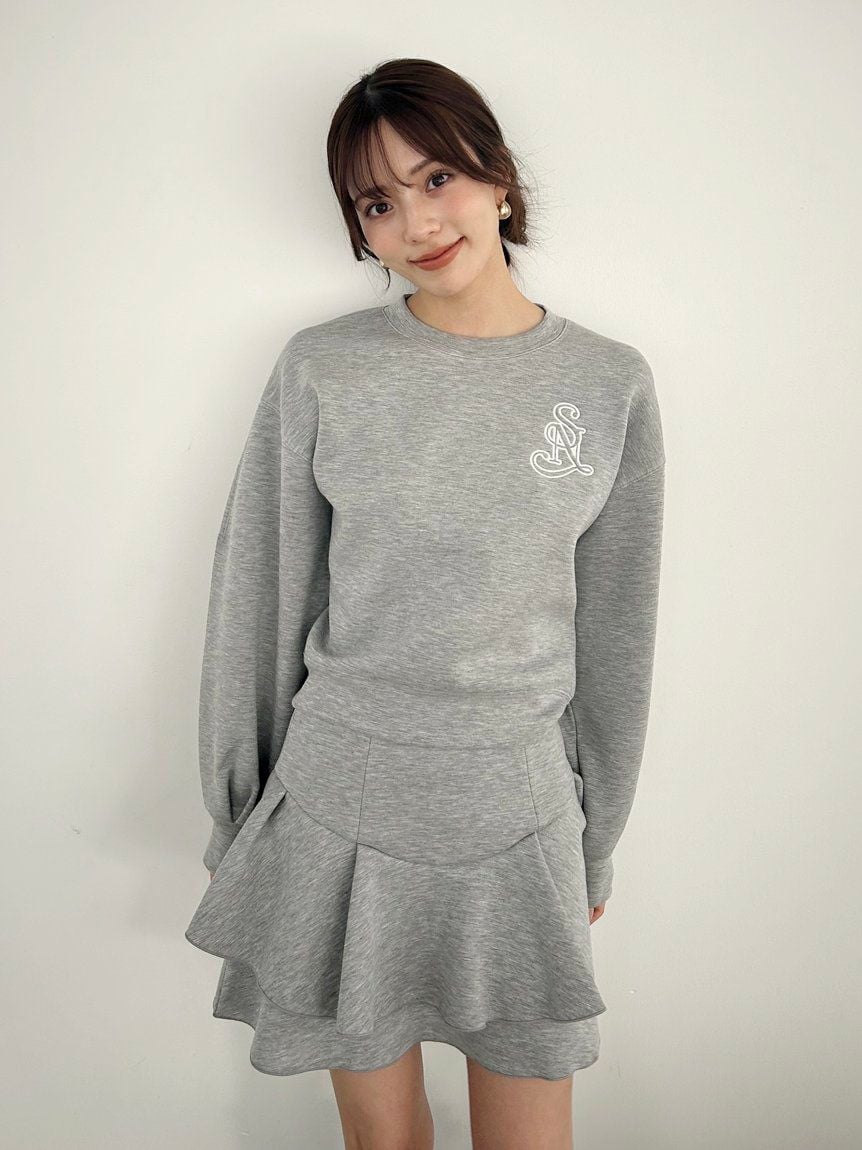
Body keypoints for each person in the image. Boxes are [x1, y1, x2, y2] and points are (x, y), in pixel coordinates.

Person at [184, 56, 666, 1150]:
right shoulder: (325, 368)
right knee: (383, 1143)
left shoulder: (607, 384)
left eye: (436, 178)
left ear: (498, 178)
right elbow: (258, 590)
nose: (416, 223)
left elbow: (618, 631)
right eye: (377, 203)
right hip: (338, 800)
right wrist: (239, 808)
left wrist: (594, 833)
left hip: (517, 809)